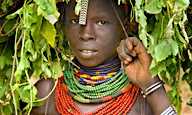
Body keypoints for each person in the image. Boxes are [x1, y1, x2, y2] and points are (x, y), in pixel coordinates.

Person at [31, 0, 177, 114]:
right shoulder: (46, 95)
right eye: (76, 21)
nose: (86, 34)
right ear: (63, 25)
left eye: (102, 22)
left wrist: (151, 85)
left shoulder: (142, 99)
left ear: (126, 27)